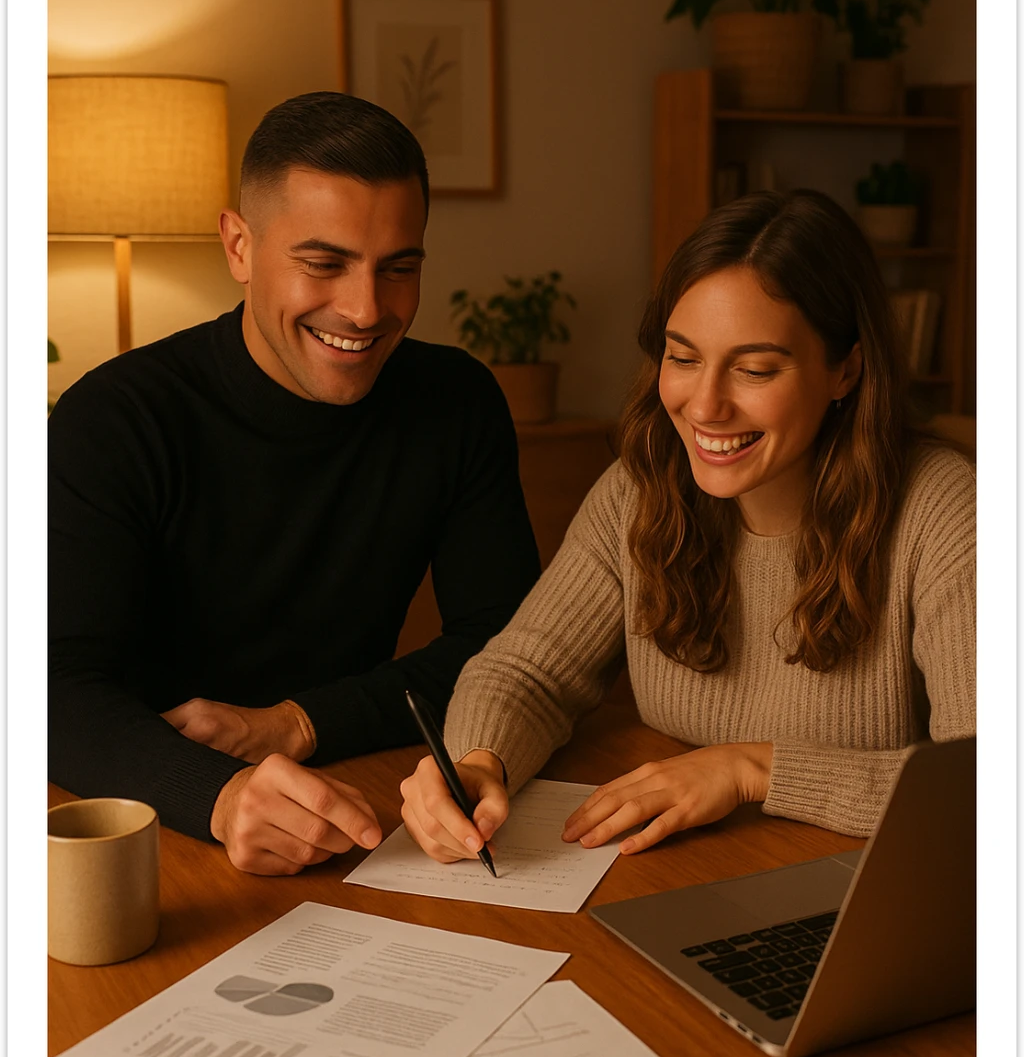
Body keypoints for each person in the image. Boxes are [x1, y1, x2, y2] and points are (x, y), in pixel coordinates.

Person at [399, 189, 976, 864]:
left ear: (845, 368)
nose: (704, 406)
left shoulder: (945, 515)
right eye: (683, 357)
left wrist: (750, 771)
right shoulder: (640, 491)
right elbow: (528, 670)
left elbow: (981, 789)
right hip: (691, 872)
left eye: (755, 368)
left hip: (870, 896)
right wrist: (477, 762)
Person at [49, 91, 540, 875]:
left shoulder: (456, 402)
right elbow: (52, 689)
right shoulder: (113, 419)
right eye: (324, 264)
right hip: (137, 821)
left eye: (399, 268)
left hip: (355, 800)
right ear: (239, 246)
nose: (365, 308)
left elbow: (509, 646)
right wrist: (220, 793)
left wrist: (299, 724)